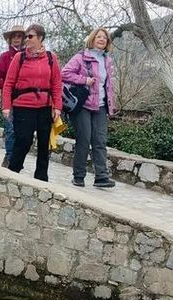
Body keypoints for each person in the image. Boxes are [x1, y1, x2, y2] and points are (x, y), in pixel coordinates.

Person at [1, 24, 62, 182]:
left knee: (44, 144)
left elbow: (56, 83)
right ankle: (12, 172)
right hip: (23, 106)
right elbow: (8, 83)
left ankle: (41, 178)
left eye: (30, 36)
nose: (26, 39)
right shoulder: (19, 58)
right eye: (26, 36)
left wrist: (58, 107)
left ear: (40, 38)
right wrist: (6, 106)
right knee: (23, 141)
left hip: (45, 107)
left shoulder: (51, 58)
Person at [61, 28, 117, 188]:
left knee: (100, 141)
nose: (102, 39)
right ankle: (78, 176)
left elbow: (108, 85)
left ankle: (101, 177)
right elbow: (64, 73)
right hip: (83, 105)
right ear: (92, 39)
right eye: (98, 37)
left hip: (100, 105)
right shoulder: (81, 57)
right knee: (84, 140)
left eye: (105, 38)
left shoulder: (107, 60)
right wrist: (84, 80)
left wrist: (110, 105)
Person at [0, 25, 25, 167]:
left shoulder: (28, 56)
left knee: (22, 130)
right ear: (10, 39)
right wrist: (7, 85)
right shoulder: (5, 57)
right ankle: (9, 156)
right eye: (14, 36)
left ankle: (17, 158)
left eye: (19, 36)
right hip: (9, 98)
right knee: (10, 129)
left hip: (24, 99)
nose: (17, 39)